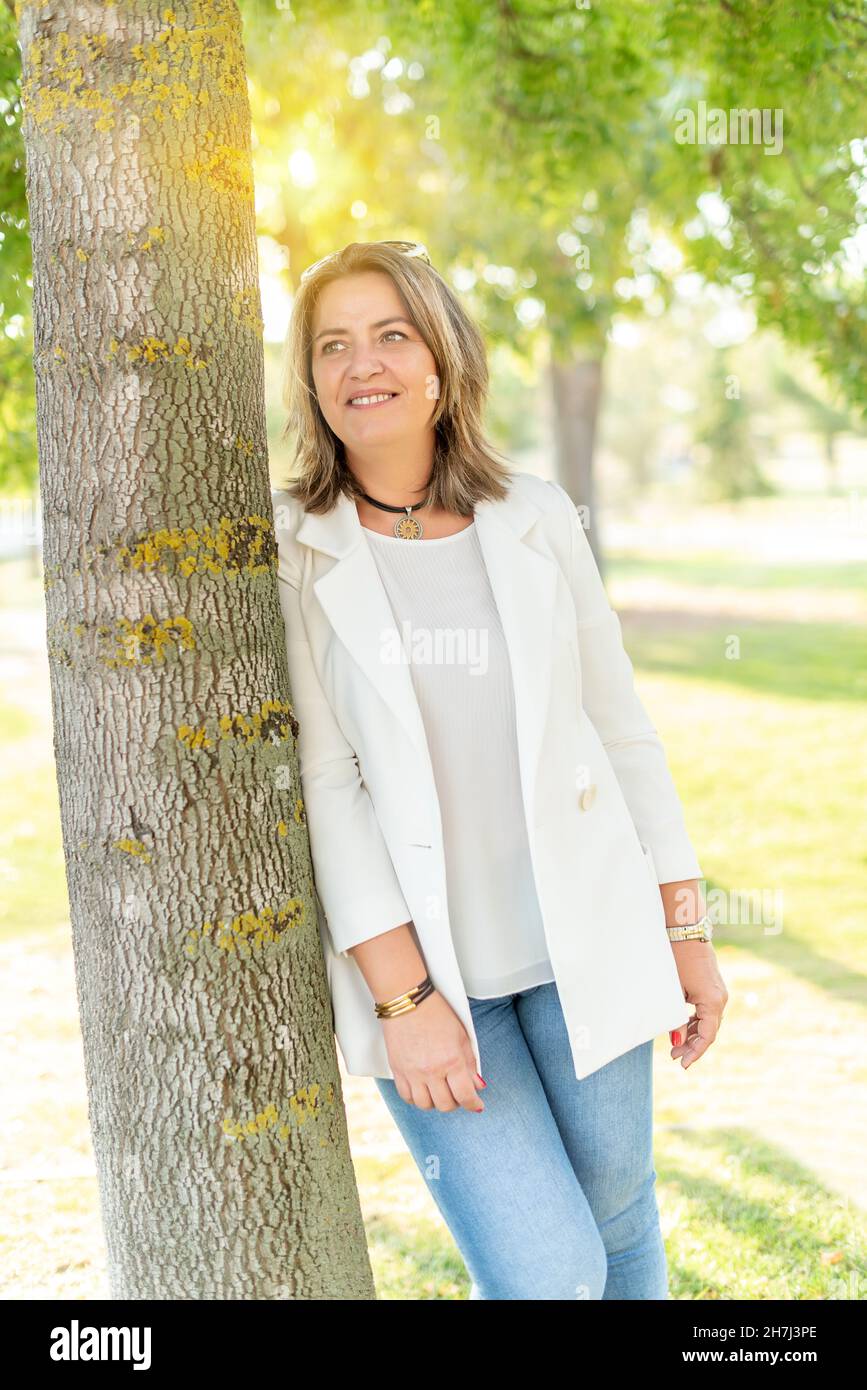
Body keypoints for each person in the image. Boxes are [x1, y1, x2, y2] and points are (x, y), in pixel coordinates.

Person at [272, 239, 729, 1299]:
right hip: (431, 978)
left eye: (390, 333)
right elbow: (328, 785)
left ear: (440, 358)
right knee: (547, 1269)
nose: (363, 363)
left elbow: (620, 734)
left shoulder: (536, 517)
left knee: (620, 1231)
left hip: (589, 948)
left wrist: (687, 933)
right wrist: (405, 1002)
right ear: (311, 381)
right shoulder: (297, 549)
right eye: (333, 344)